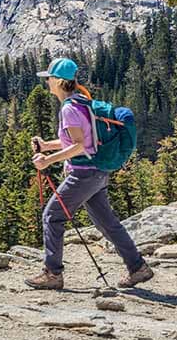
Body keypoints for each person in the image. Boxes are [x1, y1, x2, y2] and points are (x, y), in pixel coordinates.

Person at [24, 57, 153, 290]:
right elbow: (84, 140)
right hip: (98, 172)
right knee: (107, 223)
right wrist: (46, 146)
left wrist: (47, 160)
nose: (47, 82)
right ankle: (138, 268)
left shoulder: (69, 108)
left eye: (49, 78)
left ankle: (53, 274)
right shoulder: (81, 102)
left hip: (83, 174)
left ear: (59, 81)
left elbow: (79, 146)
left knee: (52, 216)